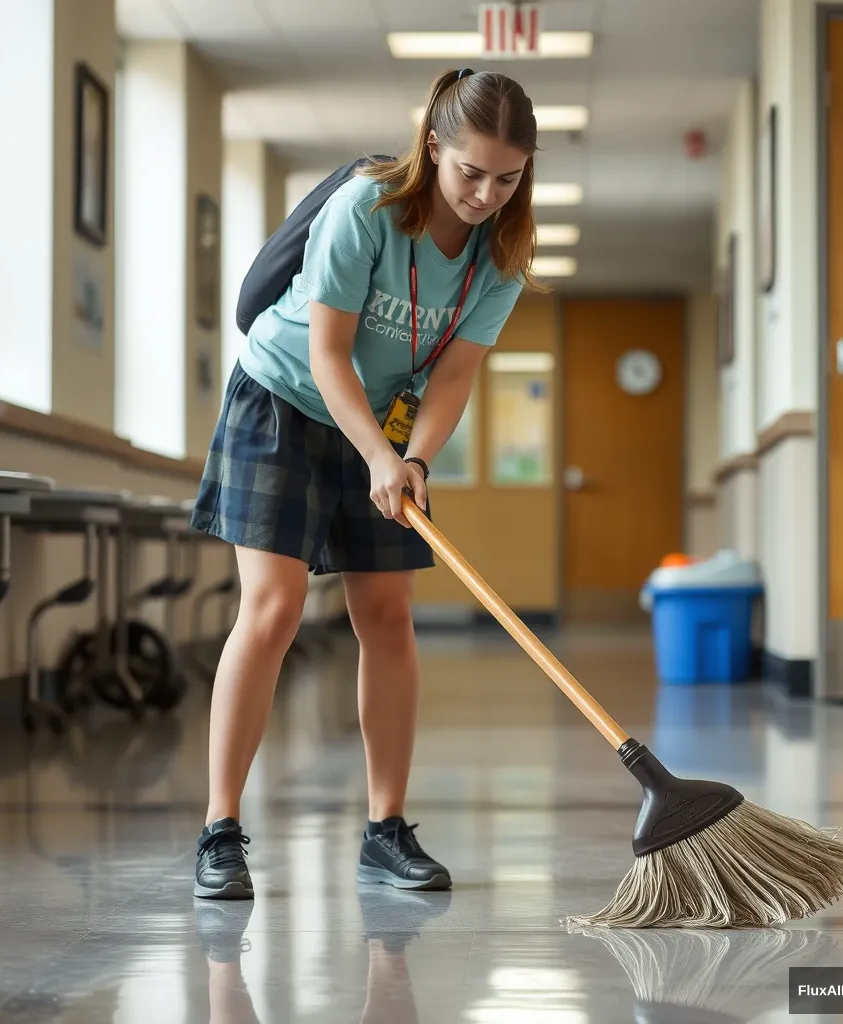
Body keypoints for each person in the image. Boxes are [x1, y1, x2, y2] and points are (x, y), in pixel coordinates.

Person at [188, 68, 539, 899]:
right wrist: (380, 458)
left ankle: (386, 830)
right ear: (432, 149)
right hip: (282, 397)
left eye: (508, 177)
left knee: (386, 613)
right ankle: (220, 830)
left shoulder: (502, 256)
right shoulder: (368, 208)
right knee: (272, 608)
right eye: (469, 172)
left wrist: (412, 458)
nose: (486, 194)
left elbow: (453, 375)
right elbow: (326, 354)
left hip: (385, 422)